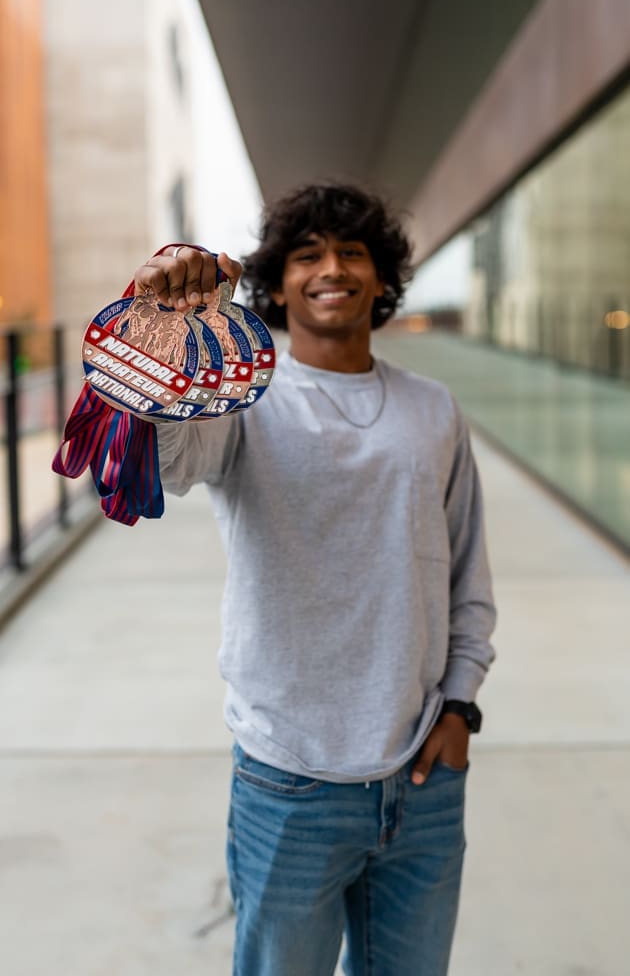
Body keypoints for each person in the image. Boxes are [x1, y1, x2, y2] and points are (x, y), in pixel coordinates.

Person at [133, 183, 496, 976]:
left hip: (424, 777)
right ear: (280, 281)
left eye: (352, 252)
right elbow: (158, 467)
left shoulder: (434, 410)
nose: (332, 268)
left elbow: (468, 572)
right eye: (308, 255)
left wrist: (462, 706)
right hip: (290, 779)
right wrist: (163, 338)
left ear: (381, 278)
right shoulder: (243, 401)